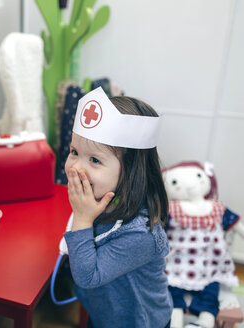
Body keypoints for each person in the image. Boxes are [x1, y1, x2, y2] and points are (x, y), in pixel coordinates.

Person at [63, 87, 173, 327]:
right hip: (103, 313)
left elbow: (87, 277)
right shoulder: (98, 197)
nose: (76, 168)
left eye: (94, 160)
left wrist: (82, 218)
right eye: (74, 152)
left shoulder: (141, 234)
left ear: (131, 171)